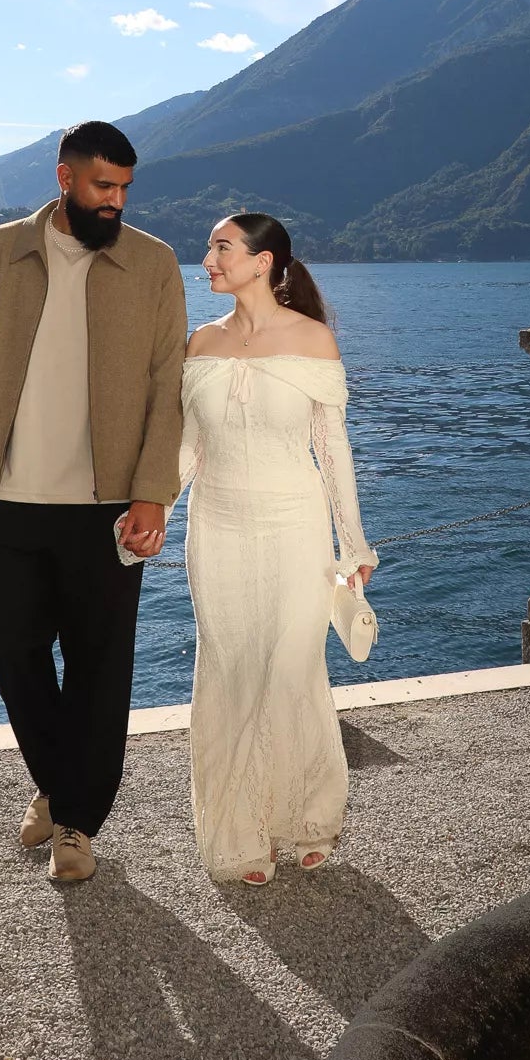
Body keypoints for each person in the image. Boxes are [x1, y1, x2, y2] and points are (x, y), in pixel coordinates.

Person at [0, 120, 188, 883]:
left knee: (100, 664)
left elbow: (165, 387)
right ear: (65, 178)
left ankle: (75, 823)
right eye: (103, 186)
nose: (116, 201)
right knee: (5, 639)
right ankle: (59, 781)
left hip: (106, 505)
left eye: (125, 189)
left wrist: (152, 494)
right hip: (5, 493)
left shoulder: (153, 264)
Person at [181, 212, 377, 886]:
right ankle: (238, 834)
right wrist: (143, 514)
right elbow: (187, 449)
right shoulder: (199, 342)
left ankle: (304, 818)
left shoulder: (312, 340)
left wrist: (352, 543)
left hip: (297, 526)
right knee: (231, 670)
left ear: (262, 262)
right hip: (215, 528)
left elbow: (332, 449)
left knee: (294, 669)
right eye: (210, 246)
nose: (206, 258)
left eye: (220, 246)